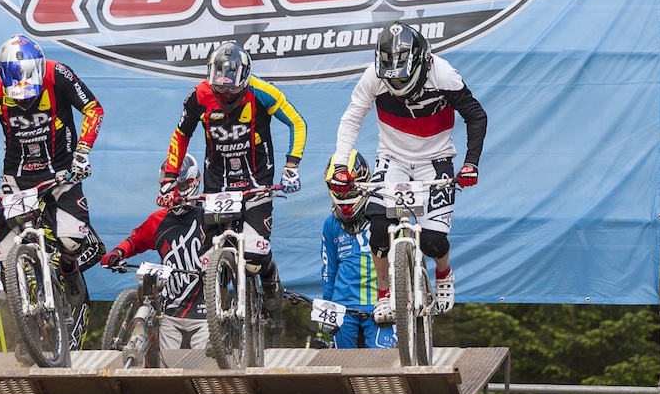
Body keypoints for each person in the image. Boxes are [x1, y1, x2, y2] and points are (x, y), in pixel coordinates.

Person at [327, 20, 486, 321]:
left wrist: (470, 163)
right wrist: (340, 166)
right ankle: (384, 294)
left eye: (403, 78)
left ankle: (443, 273)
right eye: (392, 79)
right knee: (378, 230)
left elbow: (476, 116)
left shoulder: (443, 73)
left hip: (435, 160)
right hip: (393, 159)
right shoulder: (373, 76)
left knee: (432, 241)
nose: (398, 87)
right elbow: (352, 117)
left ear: (421, 63)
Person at [0, 33, 104, 310]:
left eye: (30, 93)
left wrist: (82, 154)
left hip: (63, 171)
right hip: (17, 176)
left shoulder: (58, 74)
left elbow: (94, 109)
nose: (25, 101)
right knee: (5, 254)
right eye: (17, 96)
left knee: (72, 242)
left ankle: (69, 271)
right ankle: (25, 319)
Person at [159, 41, 306, 316]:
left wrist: (292, 166)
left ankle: (270, 277)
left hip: (257, 181)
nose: (226, 92)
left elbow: (297, 122)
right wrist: (170, 177)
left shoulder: (263, 92)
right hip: (218, 183)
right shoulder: (199, 95)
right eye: (220, 85)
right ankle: (219, 319)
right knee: (206, 261)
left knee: (254, 256)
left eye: (232, 87)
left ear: (245, 77)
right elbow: (181, 134)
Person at [100, 155, 210, 349]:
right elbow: (135, 240)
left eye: (182, 186)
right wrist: (117, 252)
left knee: (204, 364)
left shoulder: (209, 215)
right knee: (168, 365)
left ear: (195, 182)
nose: (176, 193)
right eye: (171, 187)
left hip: (207, 313)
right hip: (170, 314)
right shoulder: (158, 220)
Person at [321, 151, 397, 350]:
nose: (345, 199)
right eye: (341, 194)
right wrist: (327, 306)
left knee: (382, 361)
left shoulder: (384, 218)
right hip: (343, 307)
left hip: (382, 305)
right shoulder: (330, 224)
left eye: (350, 193)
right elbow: (329, 269)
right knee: (343, 363)